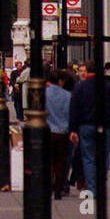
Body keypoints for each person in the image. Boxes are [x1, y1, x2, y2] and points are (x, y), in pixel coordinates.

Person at [68, 58, 110, 196]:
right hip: (103, 126)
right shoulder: (107, 86)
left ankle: (92, 187)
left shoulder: (80, 87)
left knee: (88, 158)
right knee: (103, 156)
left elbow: (74, 108)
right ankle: (101, 182)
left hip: (85, 126)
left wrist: (73, 129)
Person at [45, 69, 72, 199]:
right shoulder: (67, 95)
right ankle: (58, 189)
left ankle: (48, 185)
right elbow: (70, 115)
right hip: (63, 132)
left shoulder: (44, 93)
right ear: (60, 81)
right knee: (61, 162)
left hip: (48, 131)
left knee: (48, 160)